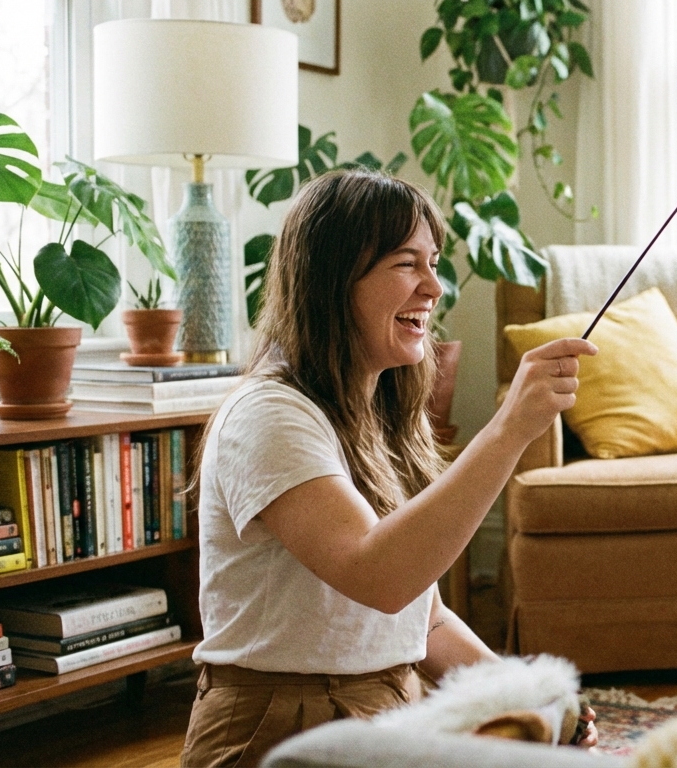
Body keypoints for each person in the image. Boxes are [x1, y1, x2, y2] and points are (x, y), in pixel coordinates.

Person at [180, 169, 599, 767]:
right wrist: (508, 430)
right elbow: (378, 576)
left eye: (433, 263)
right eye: (407, 264)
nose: (434, 287)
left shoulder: (383, 416)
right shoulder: (269, 415)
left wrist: (531, 698)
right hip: (279, 726)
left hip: (391, 709)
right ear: (333, 281)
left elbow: (421, 619)